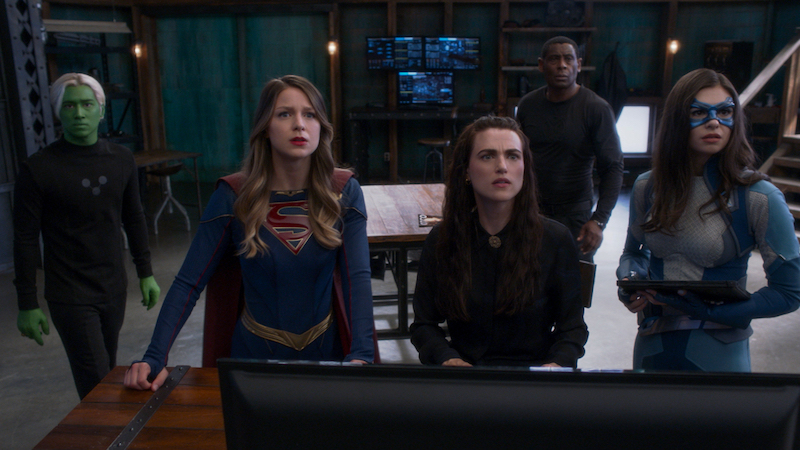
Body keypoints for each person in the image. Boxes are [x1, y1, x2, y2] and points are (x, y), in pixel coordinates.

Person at [125, 75, 375, 391]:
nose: (299, 124)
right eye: (284, 114)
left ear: (321, 127)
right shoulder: (233, 196)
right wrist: (154, 357)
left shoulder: (343, 191)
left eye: (310, 114)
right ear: (265, 127)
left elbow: (357, 279)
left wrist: (362, 356)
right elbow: (189, 282)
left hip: (328, 355)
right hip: (253, 363)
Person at [617, 68, 800, 372]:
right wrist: (630, 281)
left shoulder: (758, 196)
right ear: (678, 119)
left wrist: (718, 311)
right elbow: (634, 252)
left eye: (725, 112)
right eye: (699, 112)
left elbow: (789, 292)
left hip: (719, 353)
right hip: (652, 344)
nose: (714, 122)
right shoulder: (648, 187)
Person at [14, 73, 160, 399]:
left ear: (101, 110)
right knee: (98, 385)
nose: (79, 113)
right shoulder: (38, 168)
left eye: (86, 105)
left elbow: (134, 218)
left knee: (106, 371)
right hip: (70, 293)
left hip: (113, 286)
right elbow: (25, 238)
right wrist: (27, 303)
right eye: (69, 106)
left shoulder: (121, 159)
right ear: (58, 112)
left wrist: (145, 272)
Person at [410, 115, 588, 368]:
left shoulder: (555, 239)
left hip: (534, 377)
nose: (502, 166)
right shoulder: (443, 238)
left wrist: (556, 365)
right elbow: (424, 325)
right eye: (487, 156)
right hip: (465, 376)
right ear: (466, 170)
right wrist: (447, 358)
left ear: (524, 168)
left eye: (513, 156)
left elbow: (572, 329)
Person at [515, 36, 624, 261]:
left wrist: (599, 220)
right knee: (528, 275)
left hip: (576, 215)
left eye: (568, 59)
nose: (562, 65)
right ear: (541, 65)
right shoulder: (528, 105)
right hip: (533, 210)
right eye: (554, 59)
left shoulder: (596, 108)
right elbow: (516, 159)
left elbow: (613, 167)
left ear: (579, 64)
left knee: (575, 278)